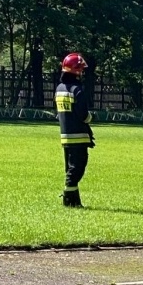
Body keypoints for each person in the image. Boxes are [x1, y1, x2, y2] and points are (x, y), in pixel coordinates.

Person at [55, 53, 94, 207]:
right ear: (76, 71)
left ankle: (74, 201)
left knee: (70, 167)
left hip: (65, 135)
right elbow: (84, 115)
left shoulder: (59, 89)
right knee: (77, 168)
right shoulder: (77, 90)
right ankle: (68, 198)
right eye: (81, 70)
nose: (82, 73)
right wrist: (90, 118)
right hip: (79, 135)